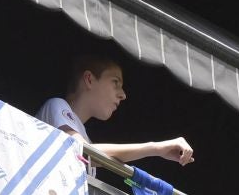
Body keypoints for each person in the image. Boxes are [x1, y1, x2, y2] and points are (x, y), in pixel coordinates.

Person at [37, 55, 195, 165]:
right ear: (89, 79)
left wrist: (157, 150)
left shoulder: (83, 136)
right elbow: (85, 151)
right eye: (115, 82)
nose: (123, 95)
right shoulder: (57, 105)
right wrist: (156, 148)